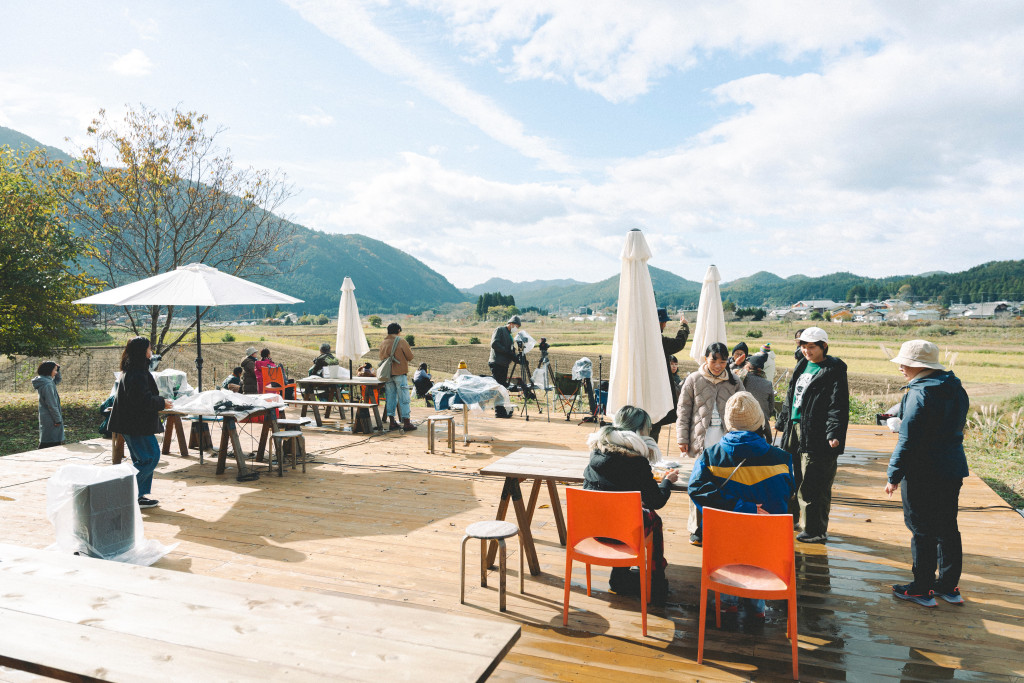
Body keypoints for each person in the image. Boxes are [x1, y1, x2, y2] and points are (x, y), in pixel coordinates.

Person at [688, 392, 794, 619]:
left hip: (723, 544)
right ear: (759, 422)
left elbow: (696, 490)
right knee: (758, 547)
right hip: (767, 550)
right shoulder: (782, 459)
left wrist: (740, 506)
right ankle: (757, 608)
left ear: (728, 423)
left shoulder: (710, 456)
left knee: (729, 545)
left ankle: (727, 602)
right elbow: (785, 497)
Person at [884, 340, 970, 608]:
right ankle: (948, 587)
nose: (900, 367)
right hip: (951, 466)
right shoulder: (956, 388)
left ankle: (921, 588)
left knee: (921, 529)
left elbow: (908, 440)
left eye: (905, 363)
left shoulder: (919, 393)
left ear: (919, 366)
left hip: (922, 470)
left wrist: (893, 475)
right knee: (947, 526)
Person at [583, 405, 679, 604]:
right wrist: (667, 481)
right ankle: (656, 580)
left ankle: (619, 578)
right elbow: (657, 501)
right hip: (623, 532)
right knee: (651, 518)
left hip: (592, 528)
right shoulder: (636, 463)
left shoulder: (595, 454)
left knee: (624, 511)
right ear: (639, 432)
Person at [776, 326, 849, 544]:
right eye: (804, 346)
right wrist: (783, 419)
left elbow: (839, 405)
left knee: (814, 480)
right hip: (794, 429)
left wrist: (834, 432)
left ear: (823, 346)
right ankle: (794, 519)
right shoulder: (802, 365)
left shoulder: (833, 370)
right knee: (792, 476)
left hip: (817, 433)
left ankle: (815, 529)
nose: (807, 351)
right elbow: (791, 397)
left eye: (812, 347)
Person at [675, 342, 745, 545]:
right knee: (699, 484)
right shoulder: (694, 379)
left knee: (725, 484)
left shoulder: (734, 381)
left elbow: (743, 406)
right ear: (706, 358)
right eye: (714, 360)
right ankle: (697, 529)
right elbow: (684, 410)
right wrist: (682, 438)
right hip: (700, 440)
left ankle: (720, 525)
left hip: (726, 441)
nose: (718, 365)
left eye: (723, 361)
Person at [106, 336, 174, 509]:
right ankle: (125, 494)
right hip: (135, 423)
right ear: (142, 352)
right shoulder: (136, 373)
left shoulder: (134, 370)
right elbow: (142, 401)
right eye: (149, 349)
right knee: (150, 458)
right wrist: (161, 402)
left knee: (142, 459)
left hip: (133, 423)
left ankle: (138, 496)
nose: (151, 352)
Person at [649, 309, 690, 443]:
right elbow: (678, 343)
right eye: (664, 322)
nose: (665, 325)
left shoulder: (642, 337)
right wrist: (683, 327)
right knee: (655, 423)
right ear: (659, 323)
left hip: (645, 388)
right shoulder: (655, 339)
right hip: (656, 390)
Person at [379, 322, 416, 431]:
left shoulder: (383, 343)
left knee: (390, 398)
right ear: (398, 331)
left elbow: (381, 357)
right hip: (399, 373)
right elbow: (410, 357)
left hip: (387, 374)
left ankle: (392, 422)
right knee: (404, 398)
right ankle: (407, 422)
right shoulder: (401, 341)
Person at [488, 315, 521, 418]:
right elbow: (494, 344)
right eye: (516, 326)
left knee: (502, 386)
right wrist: (507, 352)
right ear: (511, 323)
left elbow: (510, 351)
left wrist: (516, 358)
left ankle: (501, 409)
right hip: (497, 362)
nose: (516, 328)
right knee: (499, 387)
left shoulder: (510, 336)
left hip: (504, 364)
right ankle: (499, 411)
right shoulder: (500, 330)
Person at [743, 352, 775, 442]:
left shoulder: (741, 379)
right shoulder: (767, 384)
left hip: (741, 422)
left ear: (748, 367)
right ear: (760, 369)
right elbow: (771, 407)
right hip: (761, 425)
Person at [32, 361, 64, 449]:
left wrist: (58, 370)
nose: (56, 372)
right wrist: (57, 420)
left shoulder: (45, 380)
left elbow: (57, 380)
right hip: (51, 418)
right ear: (49, 371)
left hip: (47, 416)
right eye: (55, 370)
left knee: (48, 440)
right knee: (50, 443)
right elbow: (52, 404)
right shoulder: (48, 384)